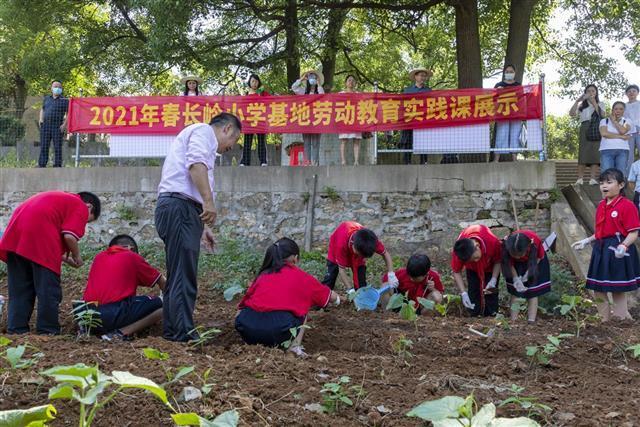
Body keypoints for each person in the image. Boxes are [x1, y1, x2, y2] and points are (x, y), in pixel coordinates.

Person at [155, 112, 241, 342]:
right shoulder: (203, 132)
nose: (231, 147)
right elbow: (195, 165)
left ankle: (174, 330)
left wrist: (202, 227)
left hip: (180, 209)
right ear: (227, 129)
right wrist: (209, 203)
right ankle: (182, 332)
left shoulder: (200, 137)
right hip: (179, 208)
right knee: (184, 274)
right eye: (234, 140)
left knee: (178, 272)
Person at [0, 191, 101, 334]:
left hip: (16, 240)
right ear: (89, 207)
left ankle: (16, 330)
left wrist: (67, 259)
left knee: (20, 290)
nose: (83, 223)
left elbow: (39, 243)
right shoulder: (80, 205)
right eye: (87, 221)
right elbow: (69, 236)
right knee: (48, 290)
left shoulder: (56, 200)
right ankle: (47, 331)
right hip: (40, 241)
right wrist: (77, 256)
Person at [235, 238, 341, 357]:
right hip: (278, 329)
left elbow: (241, 305)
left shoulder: (263, 275)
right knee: (302, 310)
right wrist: (339, 300)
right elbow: (330, 297)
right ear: (295, 258)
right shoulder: (301, 276)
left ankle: (249, 345)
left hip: (247, 327)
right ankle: (294, 348)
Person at [572, 168, 640, 321]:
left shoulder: (627, 206)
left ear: (621, 185)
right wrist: (587, 240)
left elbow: (634, 232)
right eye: (602, 183)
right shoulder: (602, 205)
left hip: (619, 249)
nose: (604, 186)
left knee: (617, 288)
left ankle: (620, 320)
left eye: (609, 182)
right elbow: (601, 231)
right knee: (598, 287)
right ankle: (604, 320)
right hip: (601, 249)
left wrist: (624, 245)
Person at [82, 234, 165, 340]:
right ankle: (119, 334)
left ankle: (89, 331)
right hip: (110, 314)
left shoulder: (99, 257)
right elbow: (162, 281)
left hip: (85, 315)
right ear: (132, 248)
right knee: (163, 304)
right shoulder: (131, 256)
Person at [321, 221, 399, 293]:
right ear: (354, 245)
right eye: (360, 255)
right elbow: (342, 270)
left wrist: (391, 274)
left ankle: (361, 297)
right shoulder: (340, 245)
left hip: (356, 248)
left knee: (361, 283)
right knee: (330, 277)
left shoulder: (370, 240)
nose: (362, 257)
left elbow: (385, 254)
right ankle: (321, 299)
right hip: (336, 247)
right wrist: (350, 290)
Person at [451, 224, 502, 317]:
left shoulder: (493, 242)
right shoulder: (459, 250)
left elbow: (498, 261)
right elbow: (456, 271)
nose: (475, 261)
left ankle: (492, 316)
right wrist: (463, 293)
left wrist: (493, 279)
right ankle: (474, 316)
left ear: (477, 246)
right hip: (472, 270)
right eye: (471, 260)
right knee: (473, 291)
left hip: (490, 267)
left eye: (475, 258)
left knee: (491, 293)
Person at [501, 230, 551, 322]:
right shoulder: (507, 244)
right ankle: (513, 320)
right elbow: (509, 263)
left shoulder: (535, 241)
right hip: (515, 266)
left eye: (519, 255)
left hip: (534, 262)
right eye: (514, 255)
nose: (517, 257)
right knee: (516, 292)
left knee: (533, 291)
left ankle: (531, 320)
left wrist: (528, 273)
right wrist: (516, 278)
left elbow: (539, 257)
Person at [569, 84, 606, 185]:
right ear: (585, 93)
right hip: (584, 127)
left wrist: (594, 103)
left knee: (595, 153)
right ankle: (580, 178)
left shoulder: (601, 103)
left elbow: (602, 115)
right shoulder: (582, 106)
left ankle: (593, 179)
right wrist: (578, 101)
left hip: (596, 128)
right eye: (588, 91)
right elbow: (572, 114)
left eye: (593, 91)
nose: (591, 93)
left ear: (596, 92)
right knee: (583, 153)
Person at [291, 69, 325, 166]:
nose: (312, 79)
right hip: (305, 120)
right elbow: (293, 87)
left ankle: (315, 162)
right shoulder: (303, 92)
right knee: (306, 143)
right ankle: (307, 162)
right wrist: (301, 79)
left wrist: (319, 84)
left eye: (314, 77)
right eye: (310, 77)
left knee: (315, 143)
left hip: (317, 120)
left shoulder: (319, 91)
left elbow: (323, 96)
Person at [399, 68, 431, 165]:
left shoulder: (429, 91)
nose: (422, 78)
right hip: (409, 120)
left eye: (424, 76)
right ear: (416, 77)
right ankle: (407, 162)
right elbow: (402, 106)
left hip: (423, 120)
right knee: (408, 140)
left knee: (424, 141)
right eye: (421, 75)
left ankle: (424, 161)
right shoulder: (407, 91)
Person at [493, 64, 522, 163]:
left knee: (515, 135)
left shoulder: (518, 86)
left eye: (511, 72)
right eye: (507, 72)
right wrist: (498, 92)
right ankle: (496, 159)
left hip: (515, 114)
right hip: (502, 114)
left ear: (515, 73)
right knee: (501, 135)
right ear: (504, 73)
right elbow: (494, 101)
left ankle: (515, 158)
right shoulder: (498, 85)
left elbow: (522, 100)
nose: (509, 73)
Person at [240, 73, 270, 166]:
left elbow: (271, 100)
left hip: (260, 120)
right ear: (249, 82)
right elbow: (241, 106)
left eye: (256, 81)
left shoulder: (263, 93)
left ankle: (263, 161)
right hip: (249, 121)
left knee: (261, 141)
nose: (254, 83)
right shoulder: (245, 94)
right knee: (247, 142)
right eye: (252, 81)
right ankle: (245, 162)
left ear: (259, 82)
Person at [38, 81, 69, 168]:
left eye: (59, 87)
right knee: (44, 145)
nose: (57, 88)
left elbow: (69, 113)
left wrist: (64, 125)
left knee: (57, 146)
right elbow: (42, 109)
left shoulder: (65, 100)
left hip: (57, 126)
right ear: (51, 88)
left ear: (61, 89)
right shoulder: (46, 99)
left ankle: (57, 165)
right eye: (55, 86)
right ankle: (42, 164)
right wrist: (41, 120)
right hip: (46, 125)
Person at [599, 101, 631, 175]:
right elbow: (604, 133)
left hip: (622, 150)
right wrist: (621, 137)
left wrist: (614, 121)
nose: (618, 111)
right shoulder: (604, 121)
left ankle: (620, 187)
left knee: (621, 174)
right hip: (606, 150)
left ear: (624, 111)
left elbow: (623, 131)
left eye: (621, 109)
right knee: (606, 174)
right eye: (616, 109)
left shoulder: (627, 121)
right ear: (612, 110)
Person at [338, 75, 363, 166]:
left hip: (356, 120)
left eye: (353, 80)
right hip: (344, 119)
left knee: (356, 140)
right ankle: (343, 161)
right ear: (345, 83)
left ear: (355, 83)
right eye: (349, 80)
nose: (351, 82)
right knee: (344, 140)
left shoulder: (358, 94)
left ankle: (356, 161)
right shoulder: (341, 94)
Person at [624, 85, 640, 174]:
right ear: (626, 94)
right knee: (629, 156)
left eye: (634, 91)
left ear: (637, 93)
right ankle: (628, 177)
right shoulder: (624, 106)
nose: (631, 93)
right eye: (629, 91)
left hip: (639, 129)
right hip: (628, 131)